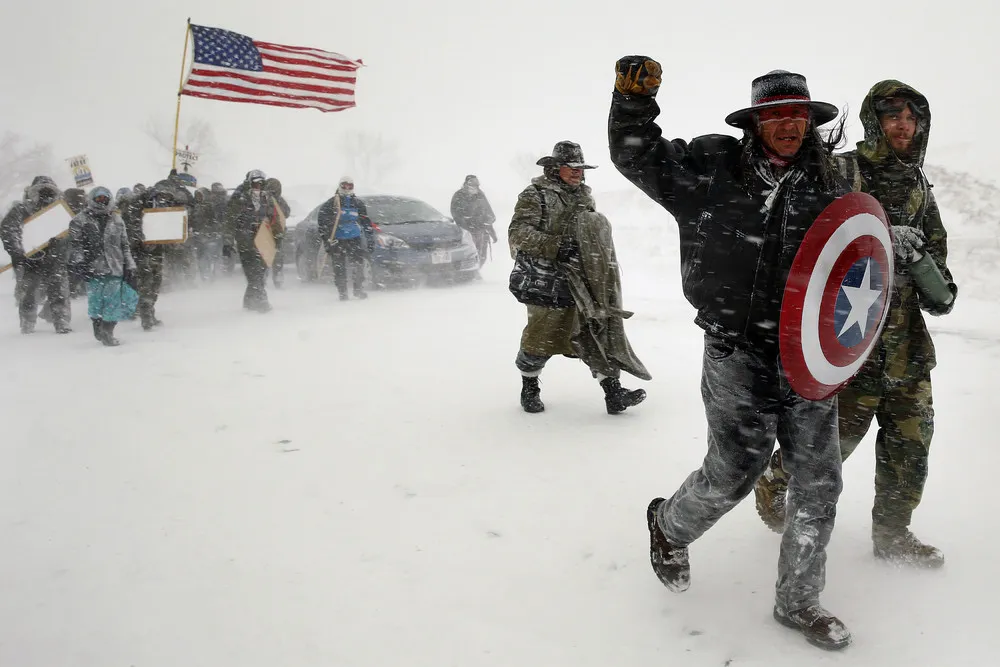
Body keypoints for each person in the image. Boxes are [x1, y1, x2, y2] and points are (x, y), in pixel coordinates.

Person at [609, 59, 852, 650]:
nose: (789, 125)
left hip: (808, 355)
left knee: (819, 481)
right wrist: (632, 105)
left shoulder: (831, 183)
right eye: (776, 115)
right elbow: (638, 156)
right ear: (755, 122)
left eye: (798, 115)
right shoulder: (710, 170)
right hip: (736, 351)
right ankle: (668, 526)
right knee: (734, 473)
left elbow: (853, 256)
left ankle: (799, 602)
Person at [754, 81, 956, 569]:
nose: (904, 125)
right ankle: (775, 480)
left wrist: (919, 258)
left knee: (910, 448)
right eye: (893, 115)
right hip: (846, 347)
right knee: (826, 452)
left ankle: (892, 534)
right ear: (874, 121)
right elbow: (804, 245)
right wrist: (877, 234)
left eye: (912, 117)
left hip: (906, 352)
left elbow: (943, 291)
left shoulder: (919, 188)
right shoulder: (840, 172)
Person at [509, 141, 648, 415]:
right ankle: (529, 387)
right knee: (541, 338)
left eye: (581, 168)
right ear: (554, 168)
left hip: (583, 281)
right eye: (571, 167)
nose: (577, 172)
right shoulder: (535, 194)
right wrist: (556, 246)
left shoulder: (584, 196)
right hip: (546, 280)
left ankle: (613, 393)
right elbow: (519, 233)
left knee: (595, 332)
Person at [67, 187, 138, 346]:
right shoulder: (80, 220)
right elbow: (75, 245)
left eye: (104, 199)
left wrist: (130, 265)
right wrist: (80, 263)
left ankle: (108, 331)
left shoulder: (117, 220)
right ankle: (98, 327)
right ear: (92, 199)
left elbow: (124, 245)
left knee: (113, 302)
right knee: (96, 302)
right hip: (92, 269)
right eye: (98, 199)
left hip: (114, 268)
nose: (102, 202)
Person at [1, 176, 72, 334]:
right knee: (29, 292)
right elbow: (8, 230)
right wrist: (18, 252)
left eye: (49, 192)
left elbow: (71, 232)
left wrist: (62, 246)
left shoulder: (59, 211)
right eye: (42, 191)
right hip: (30, 260)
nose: (46, 195)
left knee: (59, 290)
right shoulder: (21, 209)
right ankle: (27, 323)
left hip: (55, 258)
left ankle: (61, 320)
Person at [227, 170, 275, 312]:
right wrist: (228, 241)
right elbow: (229, 220)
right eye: (255, 183)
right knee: (253, 272)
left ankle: (249, 301)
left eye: (261, 183)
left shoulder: (267, 197)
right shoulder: (239, 197)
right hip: (245, 241)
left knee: (259, 273)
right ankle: (261, 301)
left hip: (263, 240)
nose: (257, 186)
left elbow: (278, 214)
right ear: (249, 183)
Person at [317, 176, 370, 301]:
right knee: (339, 267)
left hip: (354, 238)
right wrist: (327, 240)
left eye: (349, 186)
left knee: (358, 264)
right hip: (337, 239)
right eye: (344, 185)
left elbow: (365, 221)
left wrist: (369, 239)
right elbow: (322, 223)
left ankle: (358, 289)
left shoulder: (357, 203)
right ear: (340, 186)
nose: (347, 188)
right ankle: (343, 292)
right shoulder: (332, 203)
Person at [451, 175, 497, 267]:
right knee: (469, 255)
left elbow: (488, 212)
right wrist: (466, 226)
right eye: (472, 183)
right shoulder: (458, 195)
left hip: (482, 230)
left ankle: (477, 269)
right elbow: (455, 213)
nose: (475, 186)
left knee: (482, 255)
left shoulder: (480, 195)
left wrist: (492, 232)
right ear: (466, 184)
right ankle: (469, 271)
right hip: (467, 231)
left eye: (476, 184)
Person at [265, 177, 292, 288]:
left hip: (277, 232)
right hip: (268, 232)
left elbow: (287, 212)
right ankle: (268, 276)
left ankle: (276, 277)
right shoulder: (264, 200)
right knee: (269, 256)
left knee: (276, 256)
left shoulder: (279, 200)